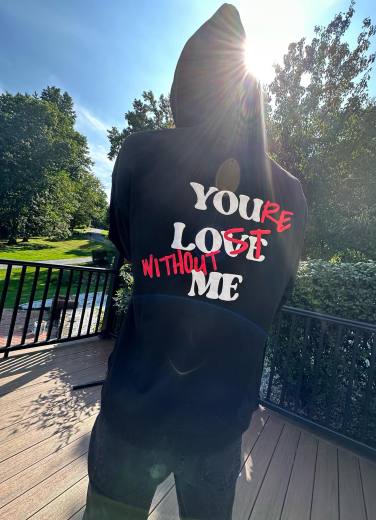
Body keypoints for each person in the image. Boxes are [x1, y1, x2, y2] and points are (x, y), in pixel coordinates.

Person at [83, 3, 307, 519]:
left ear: (181, 84)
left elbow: (129, 245)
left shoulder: (141, 155)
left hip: (134, 408)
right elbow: (280, 290)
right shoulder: (290, 193)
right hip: (219, 419)